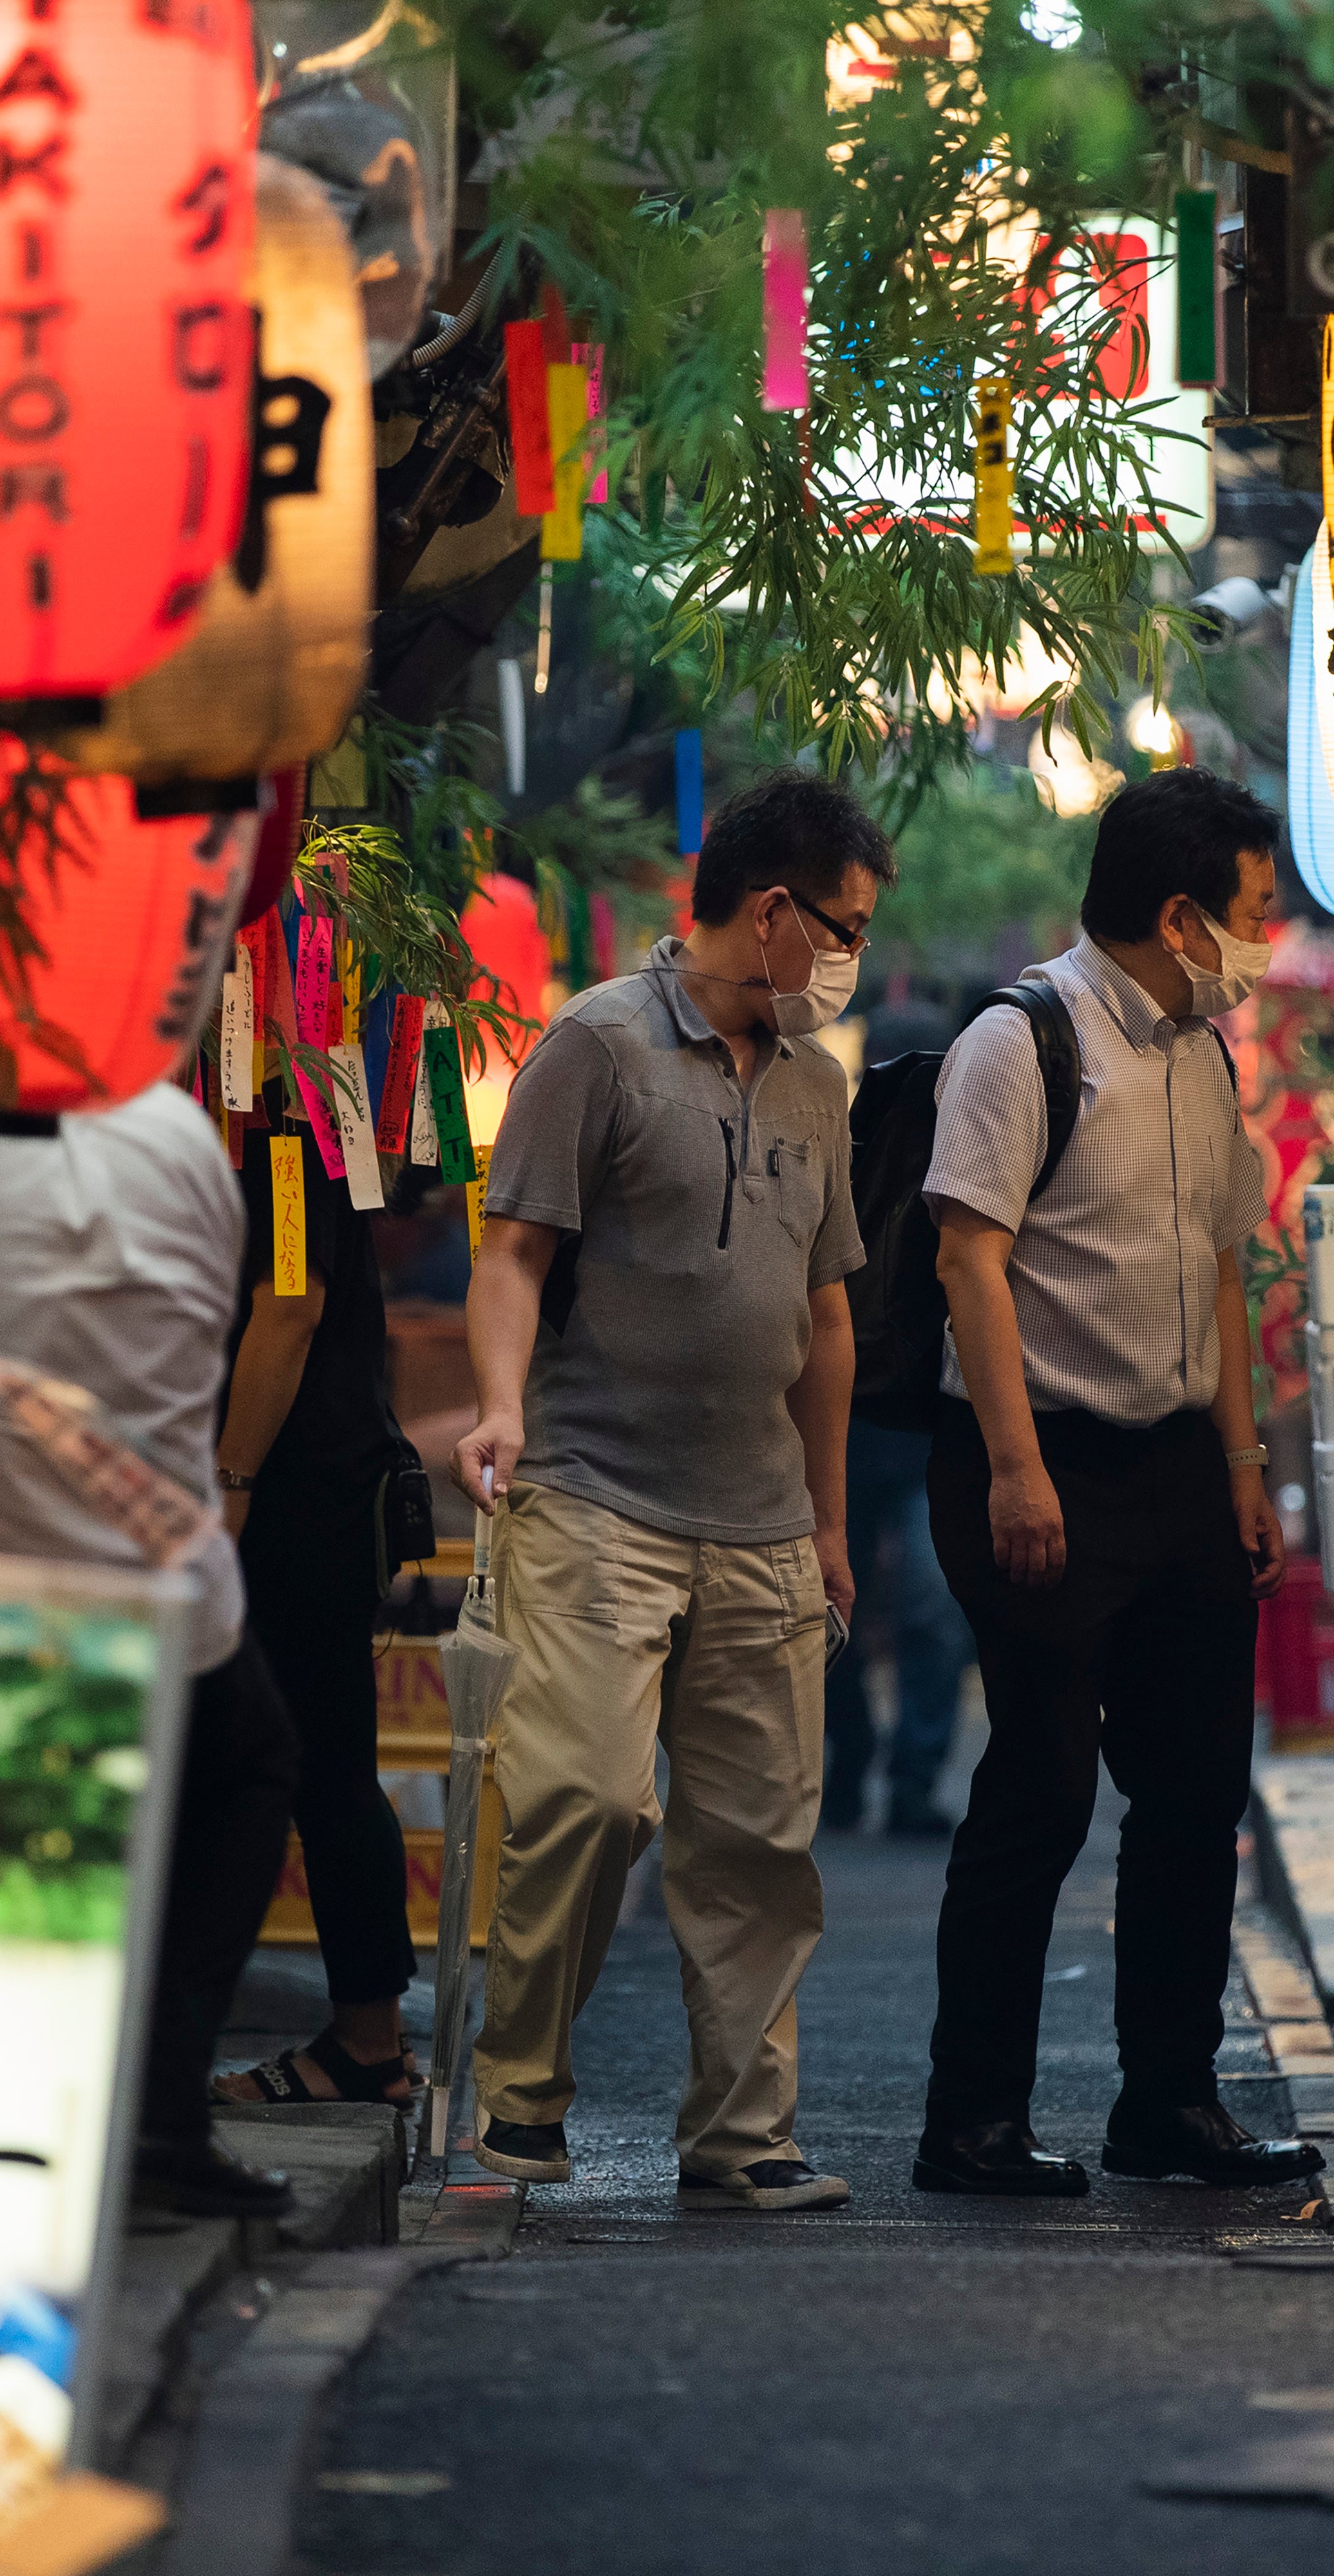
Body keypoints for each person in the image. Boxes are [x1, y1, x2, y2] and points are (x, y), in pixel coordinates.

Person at [452, 773, 890, 2212]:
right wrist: (503, 1405)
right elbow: (512, 1250)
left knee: (759, 1846)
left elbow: (828, 1317)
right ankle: (518, 2095)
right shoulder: (596, 1045)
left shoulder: (821, 1086)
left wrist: (827, 1521)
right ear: (770, 913)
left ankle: (742, 2134)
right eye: (841, 929)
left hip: (763, 1520)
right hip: (592, 1495)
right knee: (584, 1797)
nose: (847, 961)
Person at [910, 768, 1320, 2197]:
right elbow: (970, 1258)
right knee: (1039, 1787)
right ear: (1180, 913)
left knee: (1198, 1791)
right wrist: (1018, 1472)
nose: (1265, 941)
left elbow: (1216, 1261)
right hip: (1039, 1463)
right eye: (1257, 913)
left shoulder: (1203, 1054)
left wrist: (1245, 1459)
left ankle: (1170, 2099)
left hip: (1178, 1474)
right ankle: (969, 2122)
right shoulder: (1021, 1044)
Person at [0, 1079, 298, 2220]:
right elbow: (217, 1337)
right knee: (242, 1769)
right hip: (146, 1581)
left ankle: (65, 2118)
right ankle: (151, 2112)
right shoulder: (174, 1136)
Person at [207, 1109, 422, 2110]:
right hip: (302, 1494)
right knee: (324, 1768)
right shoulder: (274, 1115)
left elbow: (289, 1303)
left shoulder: (283, 1124)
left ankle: (366, 2044)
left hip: (298, 1499)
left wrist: (232, 1483)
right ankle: (365, 2042)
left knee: (314, 1769)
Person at [821, 1417, 969, 1838]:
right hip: (841, 1428)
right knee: (823, 1611)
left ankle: (913, 1782)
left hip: (932, 1435)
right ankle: (847, 1746)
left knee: (936, 1604)